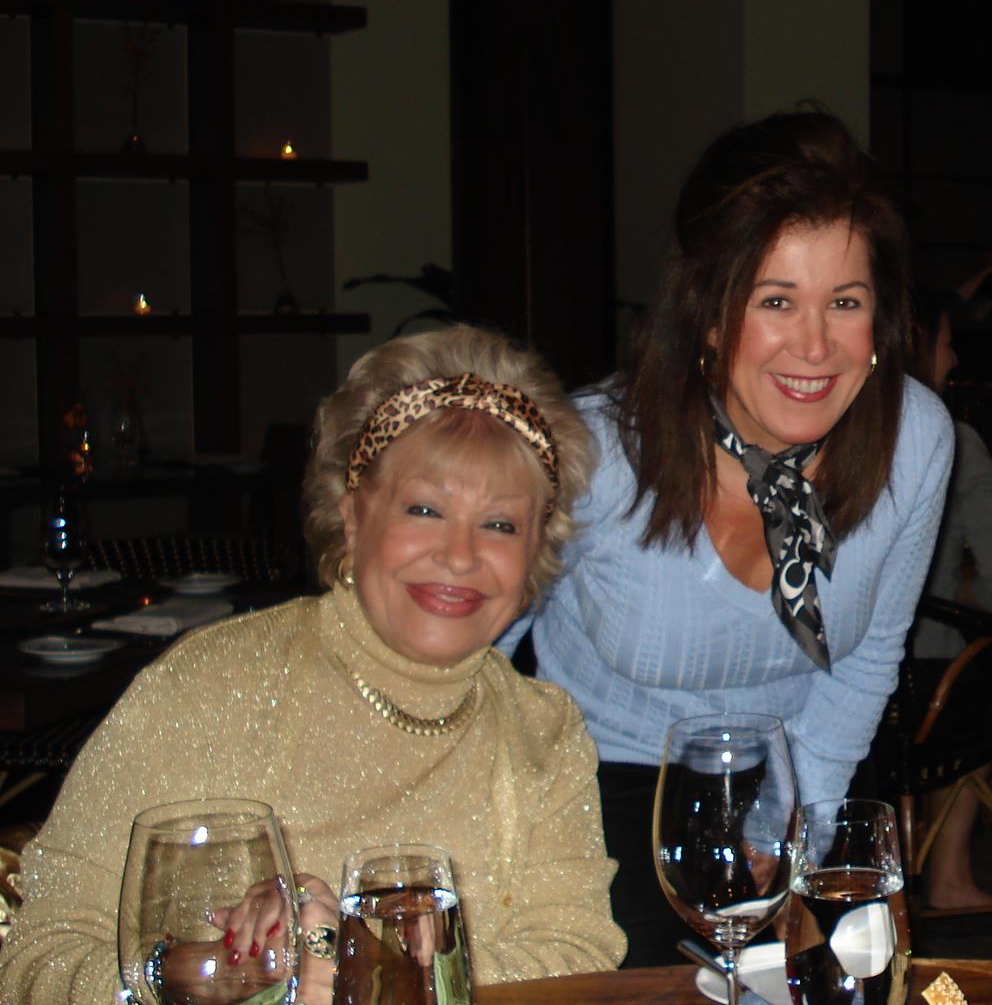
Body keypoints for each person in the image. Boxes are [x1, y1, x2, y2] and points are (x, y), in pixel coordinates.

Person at [0, 326, 625, 1004]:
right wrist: (195, 975)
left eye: (500, 524)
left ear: (538, 548)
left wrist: (374, 963)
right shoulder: (213, 685)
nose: (460, 554)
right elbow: (37, 957)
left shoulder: (544, 729)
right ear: (351, 515)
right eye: (424, 509)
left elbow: (580, 959)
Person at [508, 107, 953, 965]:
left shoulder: (914, 440)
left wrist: (796, 834)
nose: (816, 345)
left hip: (802, 774)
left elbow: (867, 660)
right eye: (776, 300)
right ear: (709, 315)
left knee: (850, 981)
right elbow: (478, 649)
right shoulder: (595, 453)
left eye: (846, 303)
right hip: (600, 788)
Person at [906, 291, 992, 910]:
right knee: (990, 665)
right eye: (944, 340)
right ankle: (950, 877)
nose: (954, 355)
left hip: (839, 687)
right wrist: (955, 592)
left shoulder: (818, 434)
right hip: (926, 697)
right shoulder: (950, 441)